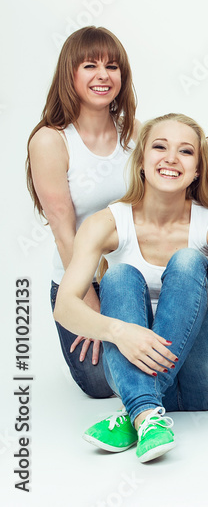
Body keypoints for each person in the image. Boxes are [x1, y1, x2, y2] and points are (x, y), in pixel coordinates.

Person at [53, 114, 208, 463]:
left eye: (186, 152)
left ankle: (138, 409)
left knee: (189, 261)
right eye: (160, 147)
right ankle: (148, 416)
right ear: (142, 161)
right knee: (118, 277)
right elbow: (65, 306)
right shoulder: (107, 223)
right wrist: (118, 331)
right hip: (136, 374)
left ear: (197, 171)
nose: (171, 158)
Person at [27, 26, 138, 399]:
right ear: (69, 74)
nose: (103, 75)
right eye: (90, 65)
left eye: (112, 66)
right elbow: (62, 231)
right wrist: (91, 309)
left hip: (132, 275)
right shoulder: (50, 140)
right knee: (101, 384)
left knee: (146, 363)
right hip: (79, 277)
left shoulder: (135, 133)